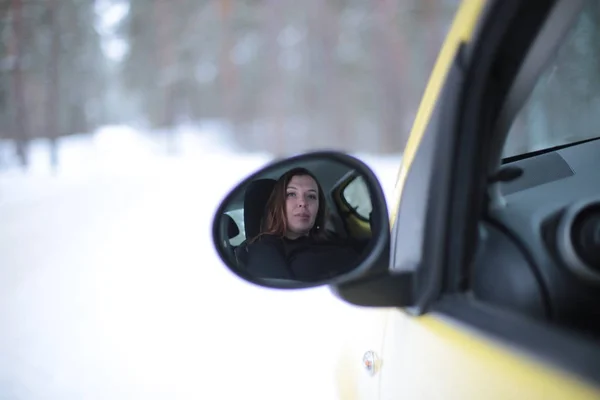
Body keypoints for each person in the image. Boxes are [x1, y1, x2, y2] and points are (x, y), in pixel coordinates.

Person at [244, 167, 360, 282]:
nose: (303, 203)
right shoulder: (265, 252)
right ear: (278, 204)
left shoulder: (329, 236)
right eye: (291, 194)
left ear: (319, 207)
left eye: (311, 196)